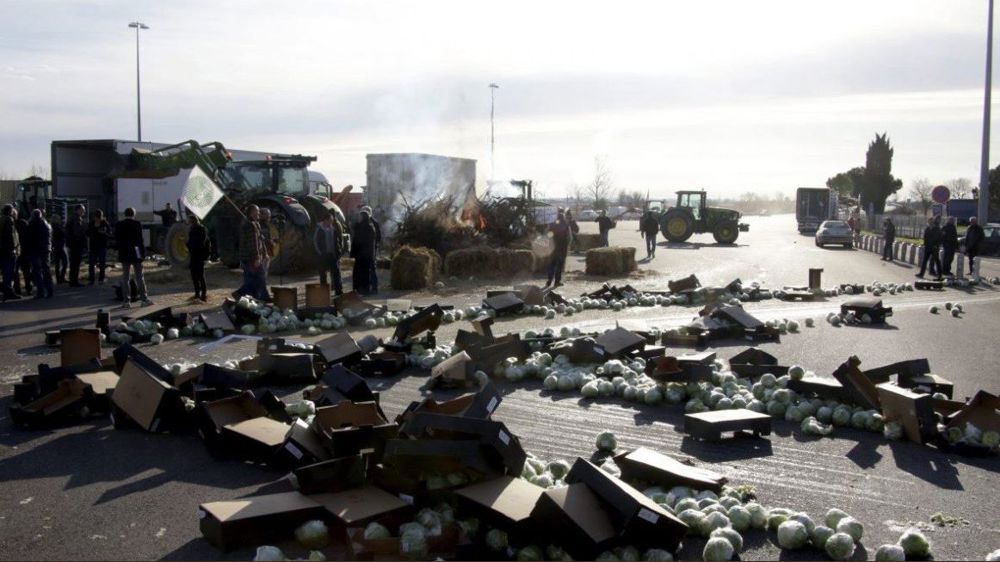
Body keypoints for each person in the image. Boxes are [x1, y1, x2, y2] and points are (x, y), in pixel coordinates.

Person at [114, 207, 152, 308]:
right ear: (134, 214)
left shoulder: (119, 224)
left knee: (125, 277)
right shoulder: (137, 224)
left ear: (125, 214)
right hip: (136, 251)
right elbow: (140, 240)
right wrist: (142, 254)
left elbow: (117, 239)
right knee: (139, 277)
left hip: (124, 252)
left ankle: (126, 301)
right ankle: (144, 299)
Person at [234, 205, 265, 299]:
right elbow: (253, 243)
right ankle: (241, 294)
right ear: (252, 212)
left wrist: (263, 253)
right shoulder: (250, 224)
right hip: (250, 257)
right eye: (257, 211)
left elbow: (258, 241)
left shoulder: (252, 223)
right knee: (255, 278)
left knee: (253, 278)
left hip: (249, 256)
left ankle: (253, 297)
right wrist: (256, 257)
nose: (259, 213)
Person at [313, 213, 344, 295]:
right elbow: (315, 242)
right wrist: (320, 253)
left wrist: (338, 251)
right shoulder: (319, 229)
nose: (331, 222)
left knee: (336, 273)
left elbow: (337, 241)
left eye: (332, 221)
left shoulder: (333, 229)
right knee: (323, 275)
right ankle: (324, 293)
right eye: (330, 220)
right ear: (325, 220)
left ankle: (339, 291)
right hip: (323, 255)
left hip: (332, 255)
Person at [26, 209, 53, 299]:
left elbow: (29, 238)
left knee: (37, 271)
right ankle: (50, 290)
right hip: (45, 250)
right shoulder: (46, 224)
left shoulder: (31, 225)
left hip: (35, 250)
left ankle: (40, 291)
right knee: (46, 270)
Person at [351, 208, 377, 295]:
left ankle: (363, 289)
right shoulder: (367, 227)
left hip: (363, 254)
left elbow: (360, 241)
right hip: (363, 254)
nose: (358, 218)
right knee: (362, 272)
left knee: (363, 273)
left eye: (360, 216)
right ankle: (362, 289)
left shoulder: (367, 227)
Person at [185, 214, 210, 301]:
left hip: (199, 255)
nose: (188, 222)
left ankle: (203, 295)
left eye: (189, 221)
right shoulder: (192, 229)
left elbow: (200, 243)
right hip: (194, 256)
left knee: (200, 276)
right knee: (194, 276)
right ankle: (197, 294)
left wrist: (189, 244)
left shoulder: (200, 229)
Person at [545, 209, 571, 288]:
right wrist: (567, 246)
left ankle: (549, 281)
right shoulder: (566, 226)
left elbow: (548, 236)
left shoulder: (551, 225)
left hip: (553, 249)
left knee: (551, 265)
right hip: (562, 250)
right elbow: (569, 238)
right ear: (563, 217)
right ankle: (557, 282)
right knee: (559, 266)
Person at [86, 210, 113, 285]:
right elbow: (87, 233)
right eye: (96, 217)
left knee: (102, 263)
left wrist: (104, 233)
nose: (97, 219)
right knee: (91, 264)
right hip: (93, 246)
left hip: (102, 245)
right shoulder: (91, 223)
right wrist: (93, 233)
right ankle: (91, 279)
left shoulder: (104, 223)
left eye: (99, 217)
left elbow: (110, 233)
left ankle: (101, 278)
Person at [1, 205, 20, 301]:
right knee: (9, 271)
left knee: (5, 271)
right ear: (10, 211)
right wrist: (14, 249)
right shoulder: (9, 220)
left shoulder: (2, 219)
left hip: (2, 250)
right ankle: (8, 292)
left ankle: (6, 291)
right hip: (9, 250)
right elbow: (11, 236)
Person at [66, 204, 88, 287]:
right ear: (78, 210)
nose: (84, 212)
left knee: (73, 264)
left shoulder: (72, 218)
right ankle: (74, 281)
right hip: (76, 244)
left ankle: (73, 280)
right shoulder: (76, 219)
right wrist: (84, 231)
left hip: (72, 244)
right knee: (76, 263)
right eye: (82, 210)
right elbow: (77, 232)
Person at [257, 208, 275, 302]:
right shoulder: (259, 225)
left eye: (269, 214)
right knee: (262, 275)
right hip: (263, 253)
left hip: (267, 252)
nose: (269, 216)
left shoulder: (265, 225)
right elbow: (261, 240)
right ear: (261, 215)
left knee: (264, 275)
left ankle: (262, 295)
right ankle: (263, 296)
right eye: (267, 214)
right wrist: (270, 241)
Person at [916, 215, 942, 280]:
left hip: (934, 247)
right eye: (929, 222)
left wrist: (936, 245)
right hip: (928, 247)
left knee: (937, 261)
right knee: (924, 261)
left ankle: (940, 275)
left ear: (933, 222)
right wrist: (924, 244)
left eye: (931, 222)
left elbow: (939, 238)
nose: (930, 223)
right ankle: (921, 274)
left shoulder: (937, 229)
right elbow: (925, 237)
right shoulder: (927, 229)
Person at [14, 209, 31, 295]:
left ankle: (17, 289)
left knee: (15, 270)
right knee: (26, 270)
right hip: (25, 249)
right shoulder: (25, 223)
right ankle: (28, 287)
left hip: (17, 249)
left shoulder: (13, 224)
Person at [51, 213, 68, 284]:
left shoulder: (53, 227)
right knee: (65, 262)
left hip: (56, 246)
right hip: (60, 246)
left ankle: (59, 278)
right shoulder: (57, 227)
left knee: (57, 264)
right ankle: (61, 277)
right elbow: (63, 234)